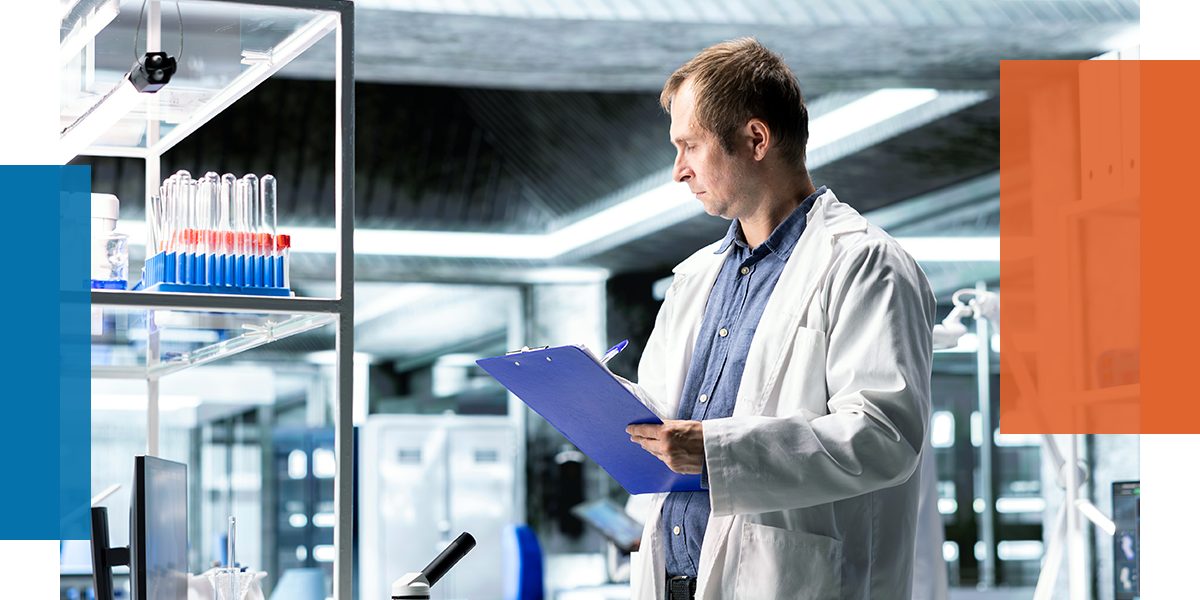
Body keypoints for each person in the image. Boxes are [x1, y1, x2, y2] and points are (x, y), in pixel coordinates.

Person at [621, 38, 937, 599]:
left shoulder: (863, 263)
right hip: (675, 579)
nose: (678, 171)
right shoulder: (697, 277)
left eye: (690, 146)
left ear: (755, 139)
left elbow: (883, 435)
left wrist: (716, 449)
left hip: (791, 581)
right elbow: (668, 422)